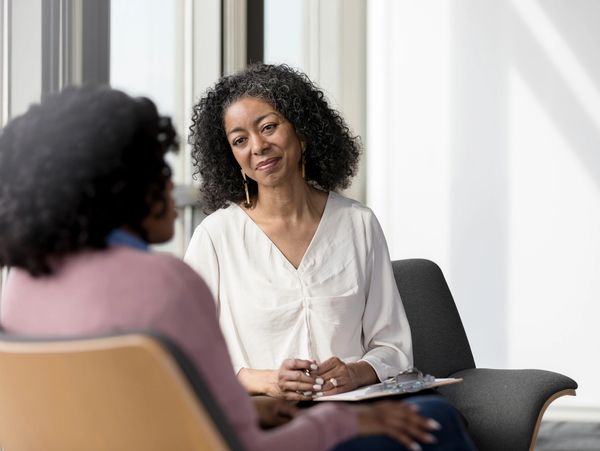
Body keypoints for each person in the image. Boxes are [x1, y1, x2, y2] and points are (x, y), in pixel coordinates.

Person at [0, 86, 475, 451]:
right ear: (122, 187)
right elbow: (235, 438)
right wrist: (343, 420)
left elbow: (182, 399)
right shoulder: (169, 281)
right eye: (160, 172)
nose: (173, 188)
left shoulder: (21, 283)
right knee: (439, 422)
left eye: (268, 128)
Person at [185, 63, 412, 400]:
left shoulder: (358, 224)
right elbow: (187, 353)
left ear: (302, 131)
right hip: (267, 416)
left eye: (269, 126)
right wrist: (264, 381)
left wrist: (356, 372)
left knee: (438, 423)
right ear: (230, 155)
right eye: (239, 140)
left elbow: (392, 346)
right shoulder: (216, 238)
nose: (258, 146)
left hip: (357, 409)